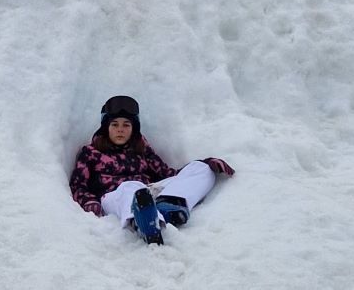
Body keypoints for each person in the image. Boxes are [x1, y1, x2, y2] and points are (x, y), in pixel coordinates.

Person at [69, 95, 235, 245]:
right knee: (131, 187)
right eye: (115, 124)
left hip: (148, 194)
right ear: (106, 127)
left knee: (200, 169)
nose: (120, 129)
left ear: (133, 127)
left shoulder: (140, 147)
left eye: (126, 125)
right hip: (115, 197)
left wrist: (206, 164)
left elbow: (167, 174)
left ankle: (168, 208)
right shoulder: (91, 152)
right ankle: (141, 221)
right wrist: (90, 202)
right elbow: (78, 185)